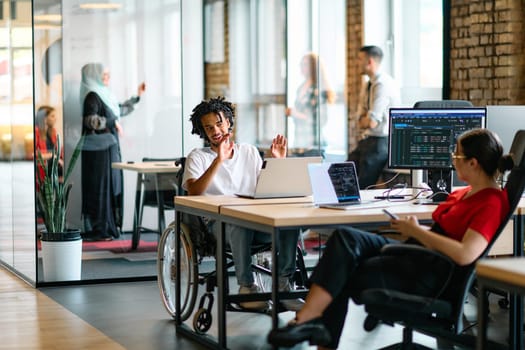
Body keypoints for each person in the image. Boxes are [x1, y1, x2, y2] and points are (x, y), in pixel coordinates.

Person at [268, 128, 514, 349]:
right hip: (418, 254)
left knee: (341, 271)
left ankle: (308, 322)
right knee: (345, 238)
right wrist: (416, 232)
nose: (452, 159)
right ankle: (309, 321)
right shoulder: (465, 193)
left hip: (428, 273)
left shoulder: (490, 203)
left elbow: (465, 254)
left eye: (457, 156)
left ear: (473, 163)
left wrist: (417, 233)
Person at [182, 96, 303, 311]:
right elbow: (193, 191)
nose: (215, 131)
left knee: (289, 222)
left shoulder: (248, 151)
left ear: (228, 121)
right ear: (203, 132)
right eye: (208, 128)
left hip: (255, 221)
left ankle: (285, 286)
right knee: (237, 220)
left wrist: (276, 163)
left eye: (219, 123)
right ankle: (247, 287)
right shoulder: (198, 157)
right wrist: (219, 160)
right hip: (218, 226)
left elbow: (265, 190)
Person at [79, 62, 146, 241]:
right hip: (98, 153)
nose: (107, 78)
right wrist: (111, 121)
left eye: (108, 74)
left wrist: (137, 97)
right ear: (94, 75)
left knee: (112, 186)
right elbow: (90, 121)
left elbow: (119, 110)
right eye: (104, 74)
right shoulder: (92, 97)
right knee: (102, 188)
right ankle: (100, 228)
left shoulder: (103, 94)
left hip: (108, 148)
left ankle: (109, 227)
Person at [348, 45, 400, 189]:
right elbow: (360, 119)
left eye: (359, 59)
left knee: (362, 187)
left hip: (381, 143)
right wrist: (363, 119)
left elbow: (371, 122)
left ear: (369, 61)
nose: (357, 63)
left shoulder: (382, 85)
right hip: (368, 140)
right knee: (342, 173)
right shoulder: (369, 84)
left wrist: (364, 119)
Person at [286, 52, 335, 149]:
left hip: (313, 144)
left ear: (313, 66)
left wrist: (295, 114)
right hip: (299, 142)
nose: (301, 67)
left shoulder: (318, 89)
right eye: (301, 64)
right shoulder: (300, 87)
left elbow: (321, 120)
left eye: (304, 64)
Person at [35, 105, 63, 181]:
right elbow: (34, 155)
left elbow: (58, 152)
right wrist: (52, 156)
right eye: (52, 116)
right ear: (44, 118)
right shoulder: (36, 132)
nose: (55, 119)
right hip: (43, 173)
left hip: (53, 170)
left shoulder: (52, 132)